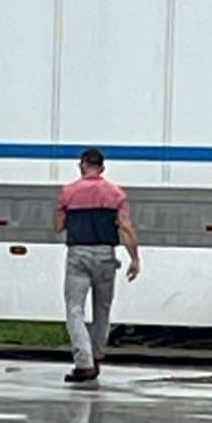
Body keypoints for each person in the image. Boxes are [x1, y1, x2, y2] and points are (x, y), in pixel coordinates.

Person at [56, 148, 140, 384]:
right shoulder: (115, 194)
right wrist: (135, 258)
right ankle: (97, 356)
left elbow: (58, 226)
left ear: (82, 166)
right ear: (102, 168)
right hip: (105, 254)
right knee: (102, 309)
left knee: (75, 309)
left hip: (78, 254)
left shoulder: (68, 192)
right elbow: (126, 227)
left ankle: (84, 363)